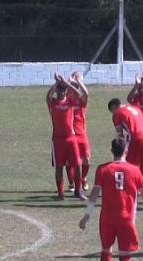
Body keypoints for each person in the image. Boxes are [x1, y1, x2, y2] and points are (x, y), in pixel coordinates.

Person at [79, 138, 143, 261]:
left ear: (112, 151)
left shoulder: (103, 169)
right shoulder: (134, 170)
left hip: (107, 218)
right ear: (126, 151)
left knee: (106, 252)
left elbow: (94, 195)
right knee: (125, 256)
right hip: (126, 218)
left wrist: (87, 215)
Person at [46, 72, 85, 201]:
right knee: (59, 167)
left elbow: (79, 94)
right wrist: (57, 82)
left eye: (63, 90)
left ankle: (78, 191)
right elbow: (47, 96)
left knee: (77, 165)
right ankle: (60, 193)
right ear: (57, 90)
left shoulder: (70, 101)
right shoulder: (53, 102)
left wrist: (67, 83)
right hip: (57, 140)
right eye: (59, 90)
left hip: (70, 138)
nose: (61, 92)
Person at [108, 98, 143, 181]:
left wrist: (121, 148)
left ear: (114, 107)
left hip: (136, 137)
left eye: (112, 111)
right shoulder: (135, 108)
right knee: (141, 161)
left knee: (128, 163)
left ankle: (130, 186)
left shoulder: (117, 113)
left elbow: (120, 134)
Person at [69, 71, 91, 191]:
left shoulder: (82, 101)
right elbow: (64, 87)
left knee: (86, 159)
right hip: (70, 134)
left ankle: (83, 178)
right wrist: (70, 80)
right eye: (74, 86)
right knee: (71, 161)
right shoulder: (67, 99)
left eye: (78, 86)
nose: (76, 88)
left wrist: (78, 81)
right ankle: (73, 182)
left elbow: (86, 93)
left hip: (81, 134)